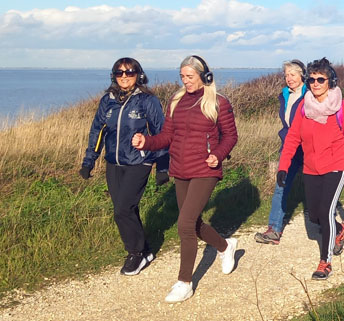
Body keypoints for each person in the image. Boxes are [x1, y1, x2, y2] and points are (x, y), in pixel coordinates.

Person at [132, 55, 239, 302]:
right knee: (193, 222)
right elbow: (167, 136)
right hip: (180, 169)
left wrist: (218, 156)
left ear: (204, 76)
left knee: (184, 225)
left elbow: (230, 136)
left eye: (190, 76)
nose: (185, 81)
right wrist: (146, 142)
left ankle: (184, 283)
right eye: (182, 76)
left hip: (205, 169)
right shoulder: (176, 100)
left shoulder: (219, 102)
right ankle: (225, 246)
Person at [276, 57, 344, 280]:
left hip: (336, 166)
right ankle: (339, 230)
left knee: (327, 211)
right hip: (310, 167)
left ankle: (325, 262)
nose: (315, 83)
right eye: (311, 79)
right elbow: (292, 139)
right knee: (315, 216)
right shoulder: (303, 107)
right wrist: (283, 167)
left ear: (331, 82)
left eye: (321, 79)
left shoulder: (342, 109)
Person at [80, 57, 168, 276]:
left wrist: (163, 166)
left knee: (122, 210)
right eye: (120, 73)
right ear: (114, 76)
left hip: (140, 161)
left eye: (129, 72)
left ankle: (136, 253)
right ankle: (146, 250)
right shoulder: (107, 100)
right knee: (127, 208)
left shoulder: (148, 101)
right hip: (114, 163)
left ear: (138, 74)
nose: (125, 77)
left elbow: (162, 134)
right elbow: (97, 132)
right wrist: (89, 161)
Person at [254, 60, 308, 245]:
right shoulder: (285, 95)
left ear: (302, 75)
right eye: (286, 75)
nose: (289, 78)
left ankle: (329, 226)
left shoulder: (310, 95)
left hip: (309, 148)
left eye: (293, 74)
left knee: (317, 187)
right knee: (281, 185)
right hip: (288, 147)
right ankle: (274, 229)